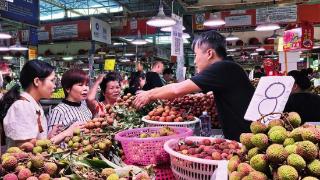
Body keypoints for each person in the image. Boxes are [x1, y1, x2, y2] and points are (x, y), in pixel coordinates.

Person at [134, 30, 254, 141]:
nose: (195, 61)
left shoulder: (222, 68)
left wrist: (149, 94)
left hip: (247, 139)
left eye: (196, 55)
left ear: (209, 53)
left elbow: (177, 89)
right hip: (246, 136)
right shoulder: (228, 67)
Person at [0, 60, 60, 147]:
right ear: (36, 81)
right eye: (52, 80)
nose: (55, 85)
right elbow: (26, 148)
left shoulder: (33, 104)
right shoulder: (22, 107)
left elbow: (36, 143)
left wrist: (49, 137)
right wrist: (64, 134)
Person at [48, 69, 92, 144]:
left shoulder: (84, 106)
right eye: (80, 85)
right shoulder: (59, 111)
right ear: (68, 88)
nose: (85, 88)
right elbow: (51, 142)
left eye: (87, 85)